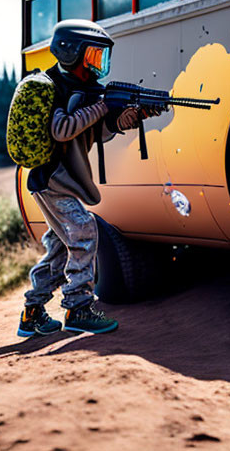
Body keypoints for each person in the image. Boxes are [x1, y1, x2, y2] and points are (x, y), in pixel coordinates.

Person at [17, 19, 154, 337]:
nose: (98, 65)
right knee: (84, 231)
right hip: (52, 178)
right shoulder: (53, 87)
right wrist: (104, 105)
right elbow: (62, 129)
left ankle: (33, 311)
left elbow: (93, 134)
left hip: (59, 180)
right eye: (93, 56)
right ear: (70, 52)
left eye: (102, 57)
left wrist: (122, 120)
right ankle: (78, 308)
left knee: (62, 247)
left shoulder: (86, 91)